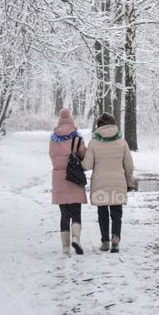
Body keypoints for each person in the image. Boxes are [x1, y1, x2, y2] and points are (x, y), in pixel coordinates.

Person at [83, 113, 135, 253]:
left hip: (100, 183)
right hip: (118, 182)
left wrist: (78, 160)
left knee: (102, 213)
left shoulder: (93, 143)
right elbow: (129, 166)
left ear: (99, 126)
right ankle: (116, 238)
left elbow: (87, 165)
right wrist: (128, 182)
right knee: (116, 213)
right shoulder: (122, 142)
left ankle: (105, 242)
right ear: (114, 125)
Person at [49, 108, 87, 255]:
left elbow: (52, 155)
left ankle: (65, 246)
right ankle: (76, 238)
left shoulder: (53, 139)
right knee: (76, 212)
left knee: (64, 214)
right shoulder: (77, 138)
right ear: (71, 121)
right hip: (74, 177)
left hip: (59, 178)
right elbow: (83, 154)